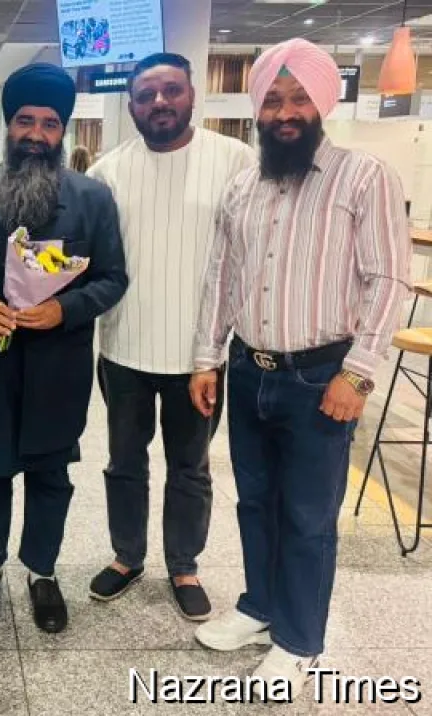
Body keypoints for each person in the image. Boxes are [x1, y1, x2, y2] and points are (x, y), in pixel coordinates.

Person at [189, 39, 410, 695]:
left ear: (322, 104)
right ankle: (260, 606)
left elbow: (389, 279)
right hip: (248, 370)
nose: (285, 112)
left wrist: (359, 372)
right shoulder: (242, 186)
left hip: (322, 378)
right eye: (273, 100)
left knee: (309, 518)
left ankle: (299, 639)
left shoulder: (363, 178)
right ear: (258, 109)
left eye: (299, 99)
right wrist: (206, 359)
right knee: (255, 502)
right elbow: (221, 279)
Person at [0, 63, 128, 634]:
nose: (36, 134)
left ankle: (42, 572)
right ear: (8, 126)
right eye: (25, 121)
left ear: (63, 132)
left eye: (49, 123)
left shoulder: (92, 199)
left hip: (55, 368)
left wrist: (66, 308)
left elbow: (112, 278)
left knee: (50, 479)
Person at [85, 53, 254, 620]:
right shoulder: (107, 173)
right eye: (146, 94)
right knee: (124, 463)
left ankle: (184, 564)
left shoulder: (235, 161)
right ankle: (127, 557)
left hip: (200, 356)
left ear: (192, 95)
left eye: (171, 90)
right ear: (131, 105)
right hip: (123, 349)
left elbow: (249, 253)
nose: (159, 102)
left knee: (191, 467)